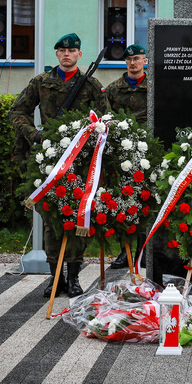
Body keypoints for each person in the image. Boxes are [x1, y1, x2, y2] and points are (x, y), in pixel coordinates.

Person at [10, 33, 110, 298]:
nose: (67, 54)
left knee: (78, 215)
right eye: (62, 50)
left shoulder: (90, 84)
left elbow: (106, 119)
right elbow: (17, 111)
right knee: (52, 217)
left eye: (72, 50)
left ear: (79, 54)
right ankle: (55, 277)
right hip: (49, 159)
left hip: (80, 162)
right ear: (57, 54)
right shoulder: (41, 82)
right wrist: (35, 135)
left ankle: (74, 277)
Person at [103, 44, 148, 269]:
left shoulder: (153, 87)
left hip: (148, 152)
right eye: (129, 59)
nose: (133, 63)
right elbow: (105, 117)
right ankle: (125, 250)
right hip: (121, 153)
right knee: (122, 200)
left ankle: (145, 248)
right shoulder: (113, 90)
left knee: (146, 199)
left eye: (137, 58)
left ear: (145, 61)